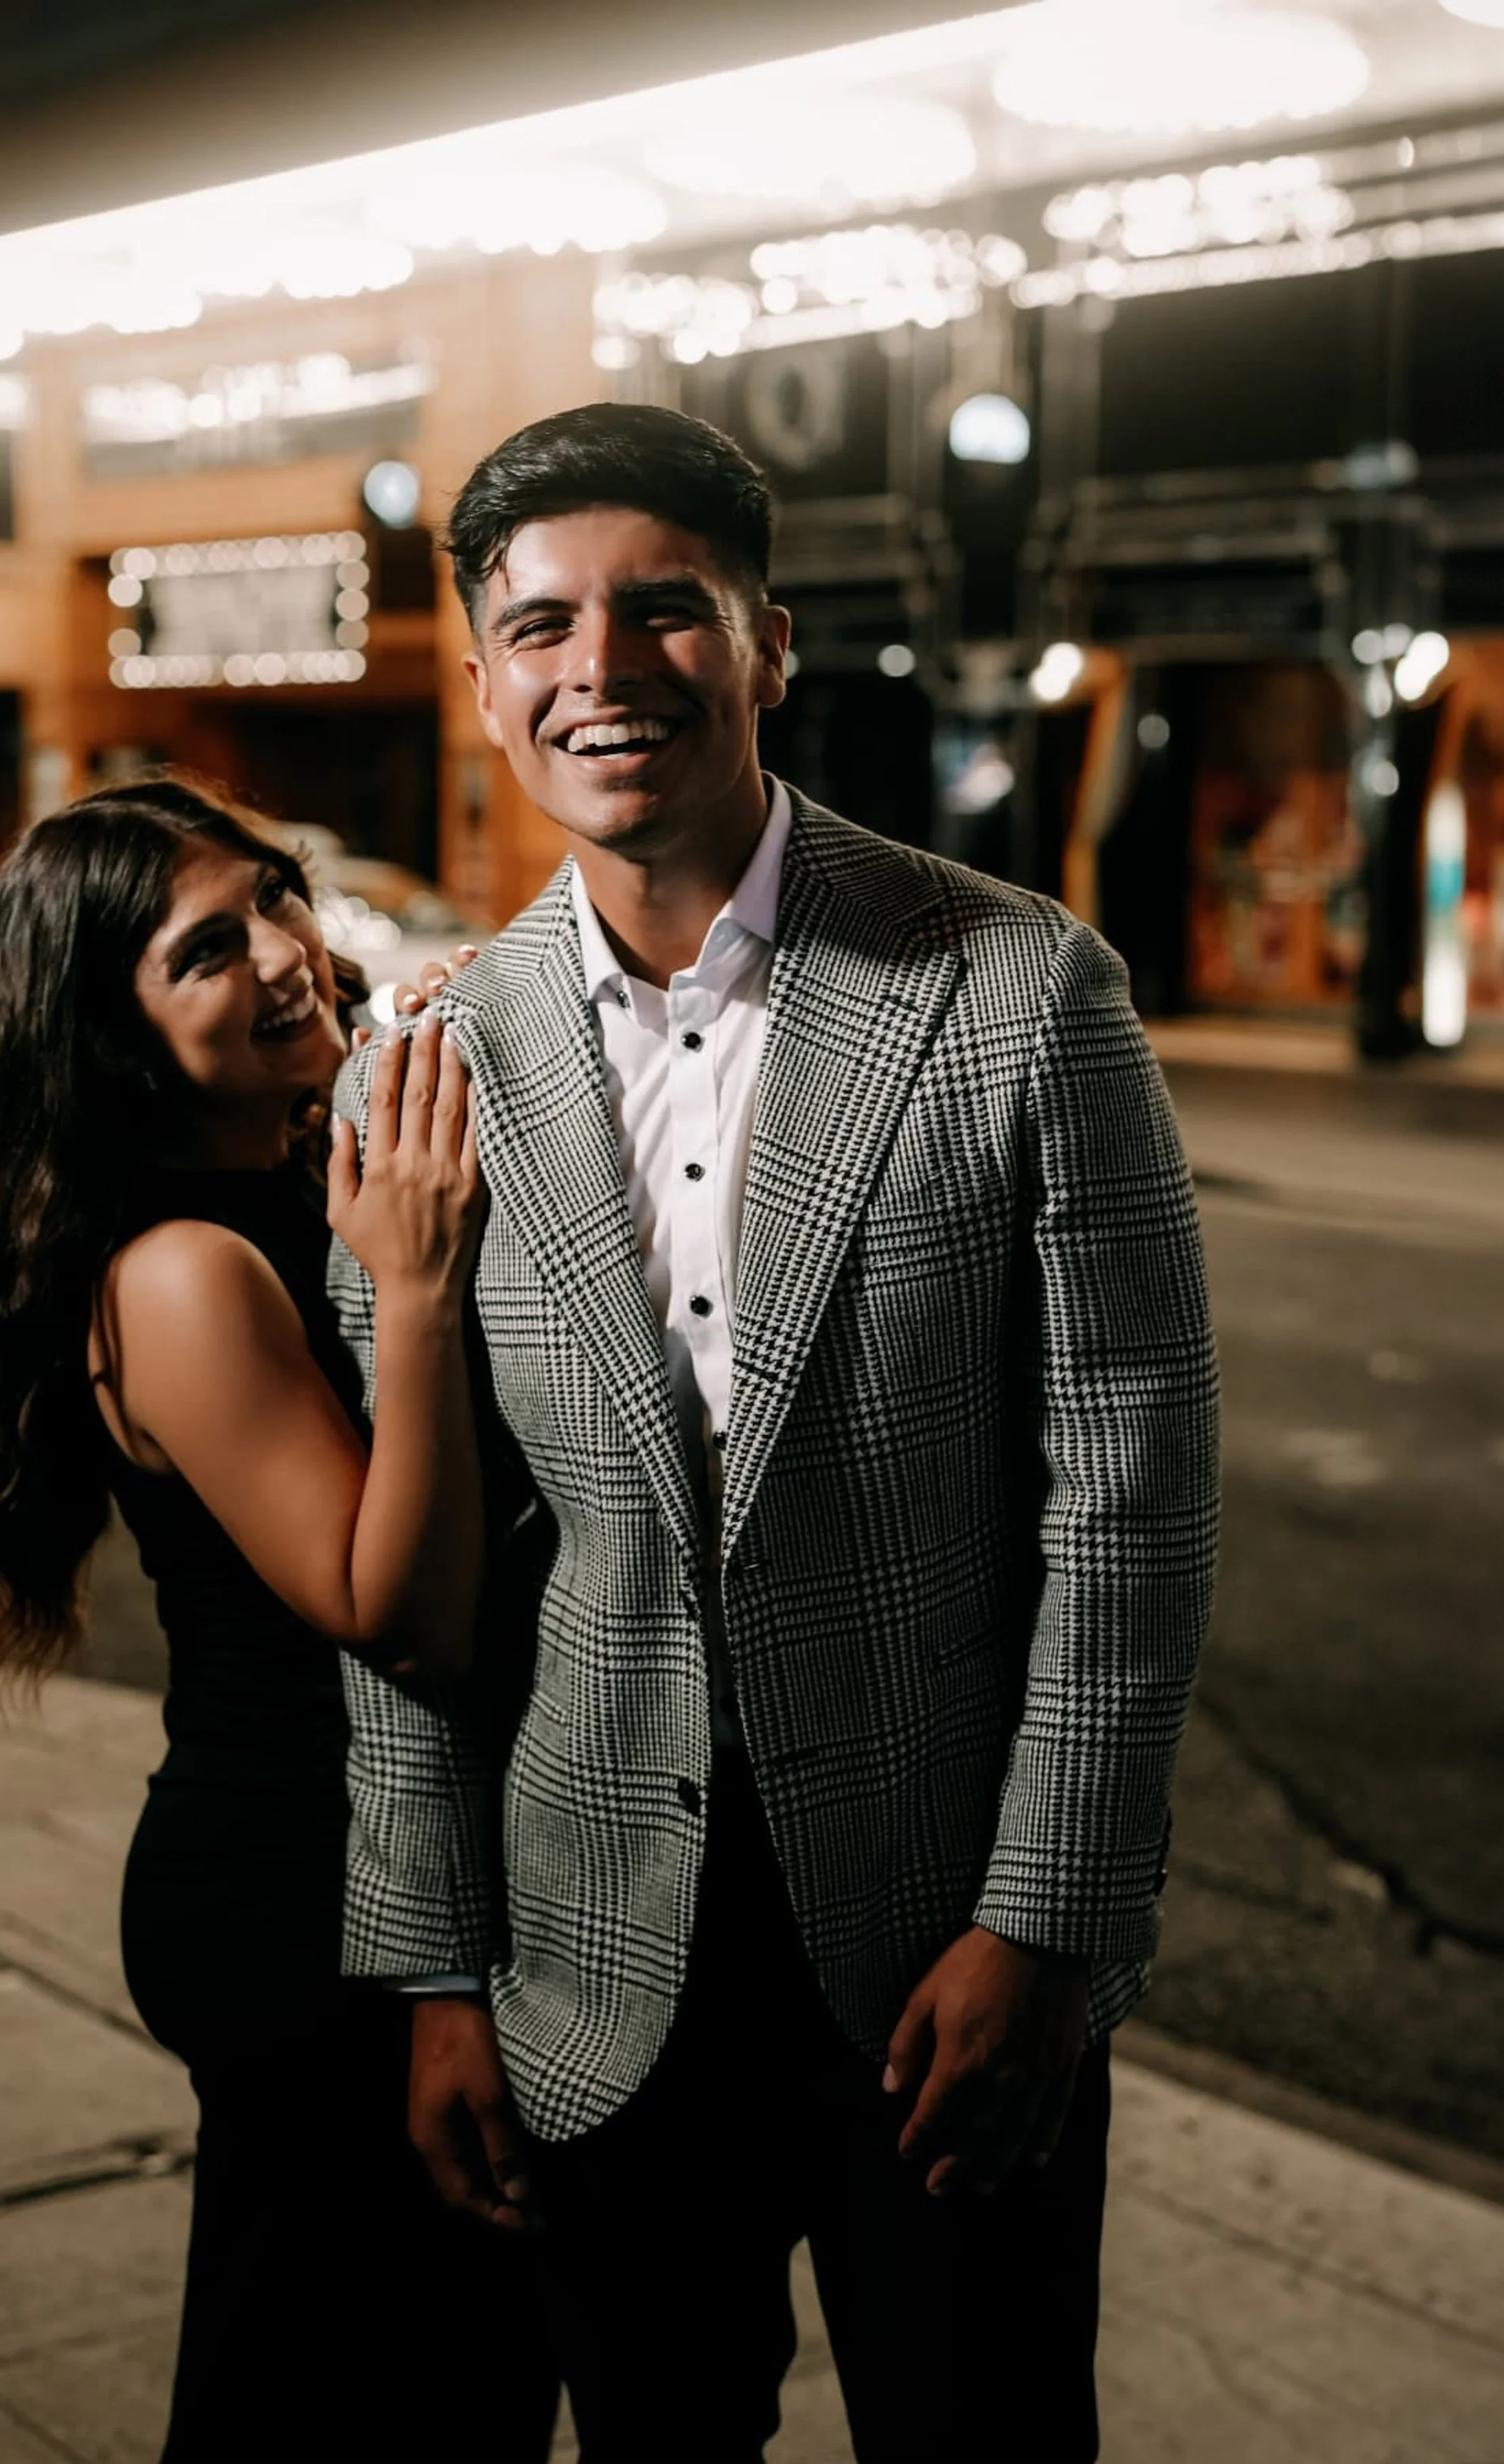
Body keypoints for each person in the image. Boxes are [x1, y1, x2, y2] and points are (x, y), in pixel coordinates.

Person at [332, 406, 1219, 2463]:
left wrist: (1049, 1915)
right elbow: (416, 1576)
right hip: (588, 1962)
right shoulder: (430, 1064)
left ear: (764, 641)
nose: (600, 665)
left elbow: (1129, 1501)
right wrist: (432, 1965)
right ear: (480, 677)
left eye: (664, 608)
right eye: (539, 622)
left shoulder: (1013, 990)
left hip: (942, 1956)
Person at [0, 773, 557, 2464]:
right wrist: (417, 1282)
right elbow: (399, 1609)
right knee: (352, 2392)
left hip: (351, 1858)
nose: (287, 951)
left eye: (274, 897)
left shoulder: (299, 1170)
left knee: (380, 2373)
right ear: (115, 1034)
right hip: (297, 1891)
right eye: (208, 949)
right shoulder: (178, 1273)